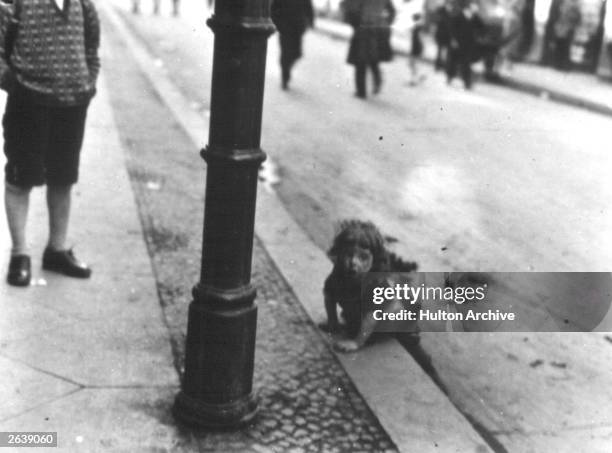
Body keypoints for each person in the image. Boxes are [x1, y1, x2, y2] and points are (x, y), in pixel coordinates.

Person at [0, 0, 100, 286]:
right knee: (20, 179)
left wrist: (87, 83)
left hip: (72, 105)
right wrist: (13, 84)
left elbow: (92, 48)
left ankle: (56, 250)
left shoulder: (83, 4)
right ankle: (20, 255)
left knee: (63, 178)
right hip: (28, 103)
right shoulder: (15, 3)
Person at [343, 0, 396, 98]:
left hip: (363, 29)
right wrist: (385, 23)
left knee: (360, 61)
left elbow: (350, 10)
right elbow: (392, 11)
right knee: (373, 57)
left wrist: (354, 25)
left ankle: (361, 92)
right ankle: (377, 80)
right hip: (378, 30)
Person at [271, 0, 314, 90]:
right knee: (285, 53)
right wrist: (278, 24)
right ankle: (285, 76)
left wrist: (311, 21)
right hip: (285, 29)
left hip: (297, 29)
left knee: (297, 54)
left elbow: (309, 7)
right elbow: (274, 8)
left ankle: (286, 70)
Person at [446, 0, 484, 89]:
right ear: (469, 6)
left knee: (466, 63)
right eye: (475, 5)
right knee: (453, 62)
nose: (476, 7)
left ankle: (467, 83)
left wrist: (480, 36)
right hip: (457, 44)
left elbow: (482, 27)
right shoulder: (458, 16)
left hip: (468, 45)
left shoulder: (475, 17)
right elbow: (452, 28)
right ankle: (449, 77)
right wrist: (453, 40)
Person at [433, 0, 453, 71]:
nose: (450, 5)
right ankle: (438, 65)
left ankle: (445, 66)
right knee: (439, 51)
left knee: (447, 52)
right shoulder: (441, 10)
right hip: (441, 35)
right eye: (449, 3)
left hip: (448, 36)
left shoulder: (452, 11)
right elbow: (436, 20)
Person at [408, 13, 426, 86]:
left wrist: (421, 47)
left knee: (413, 64)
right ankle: (419, 76)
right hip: (416, 46)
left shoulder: (418, 27)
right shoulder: (417, 26)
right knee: (413, 64)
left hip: (416, 47)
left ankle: (414, 80)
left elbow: (420, 37)